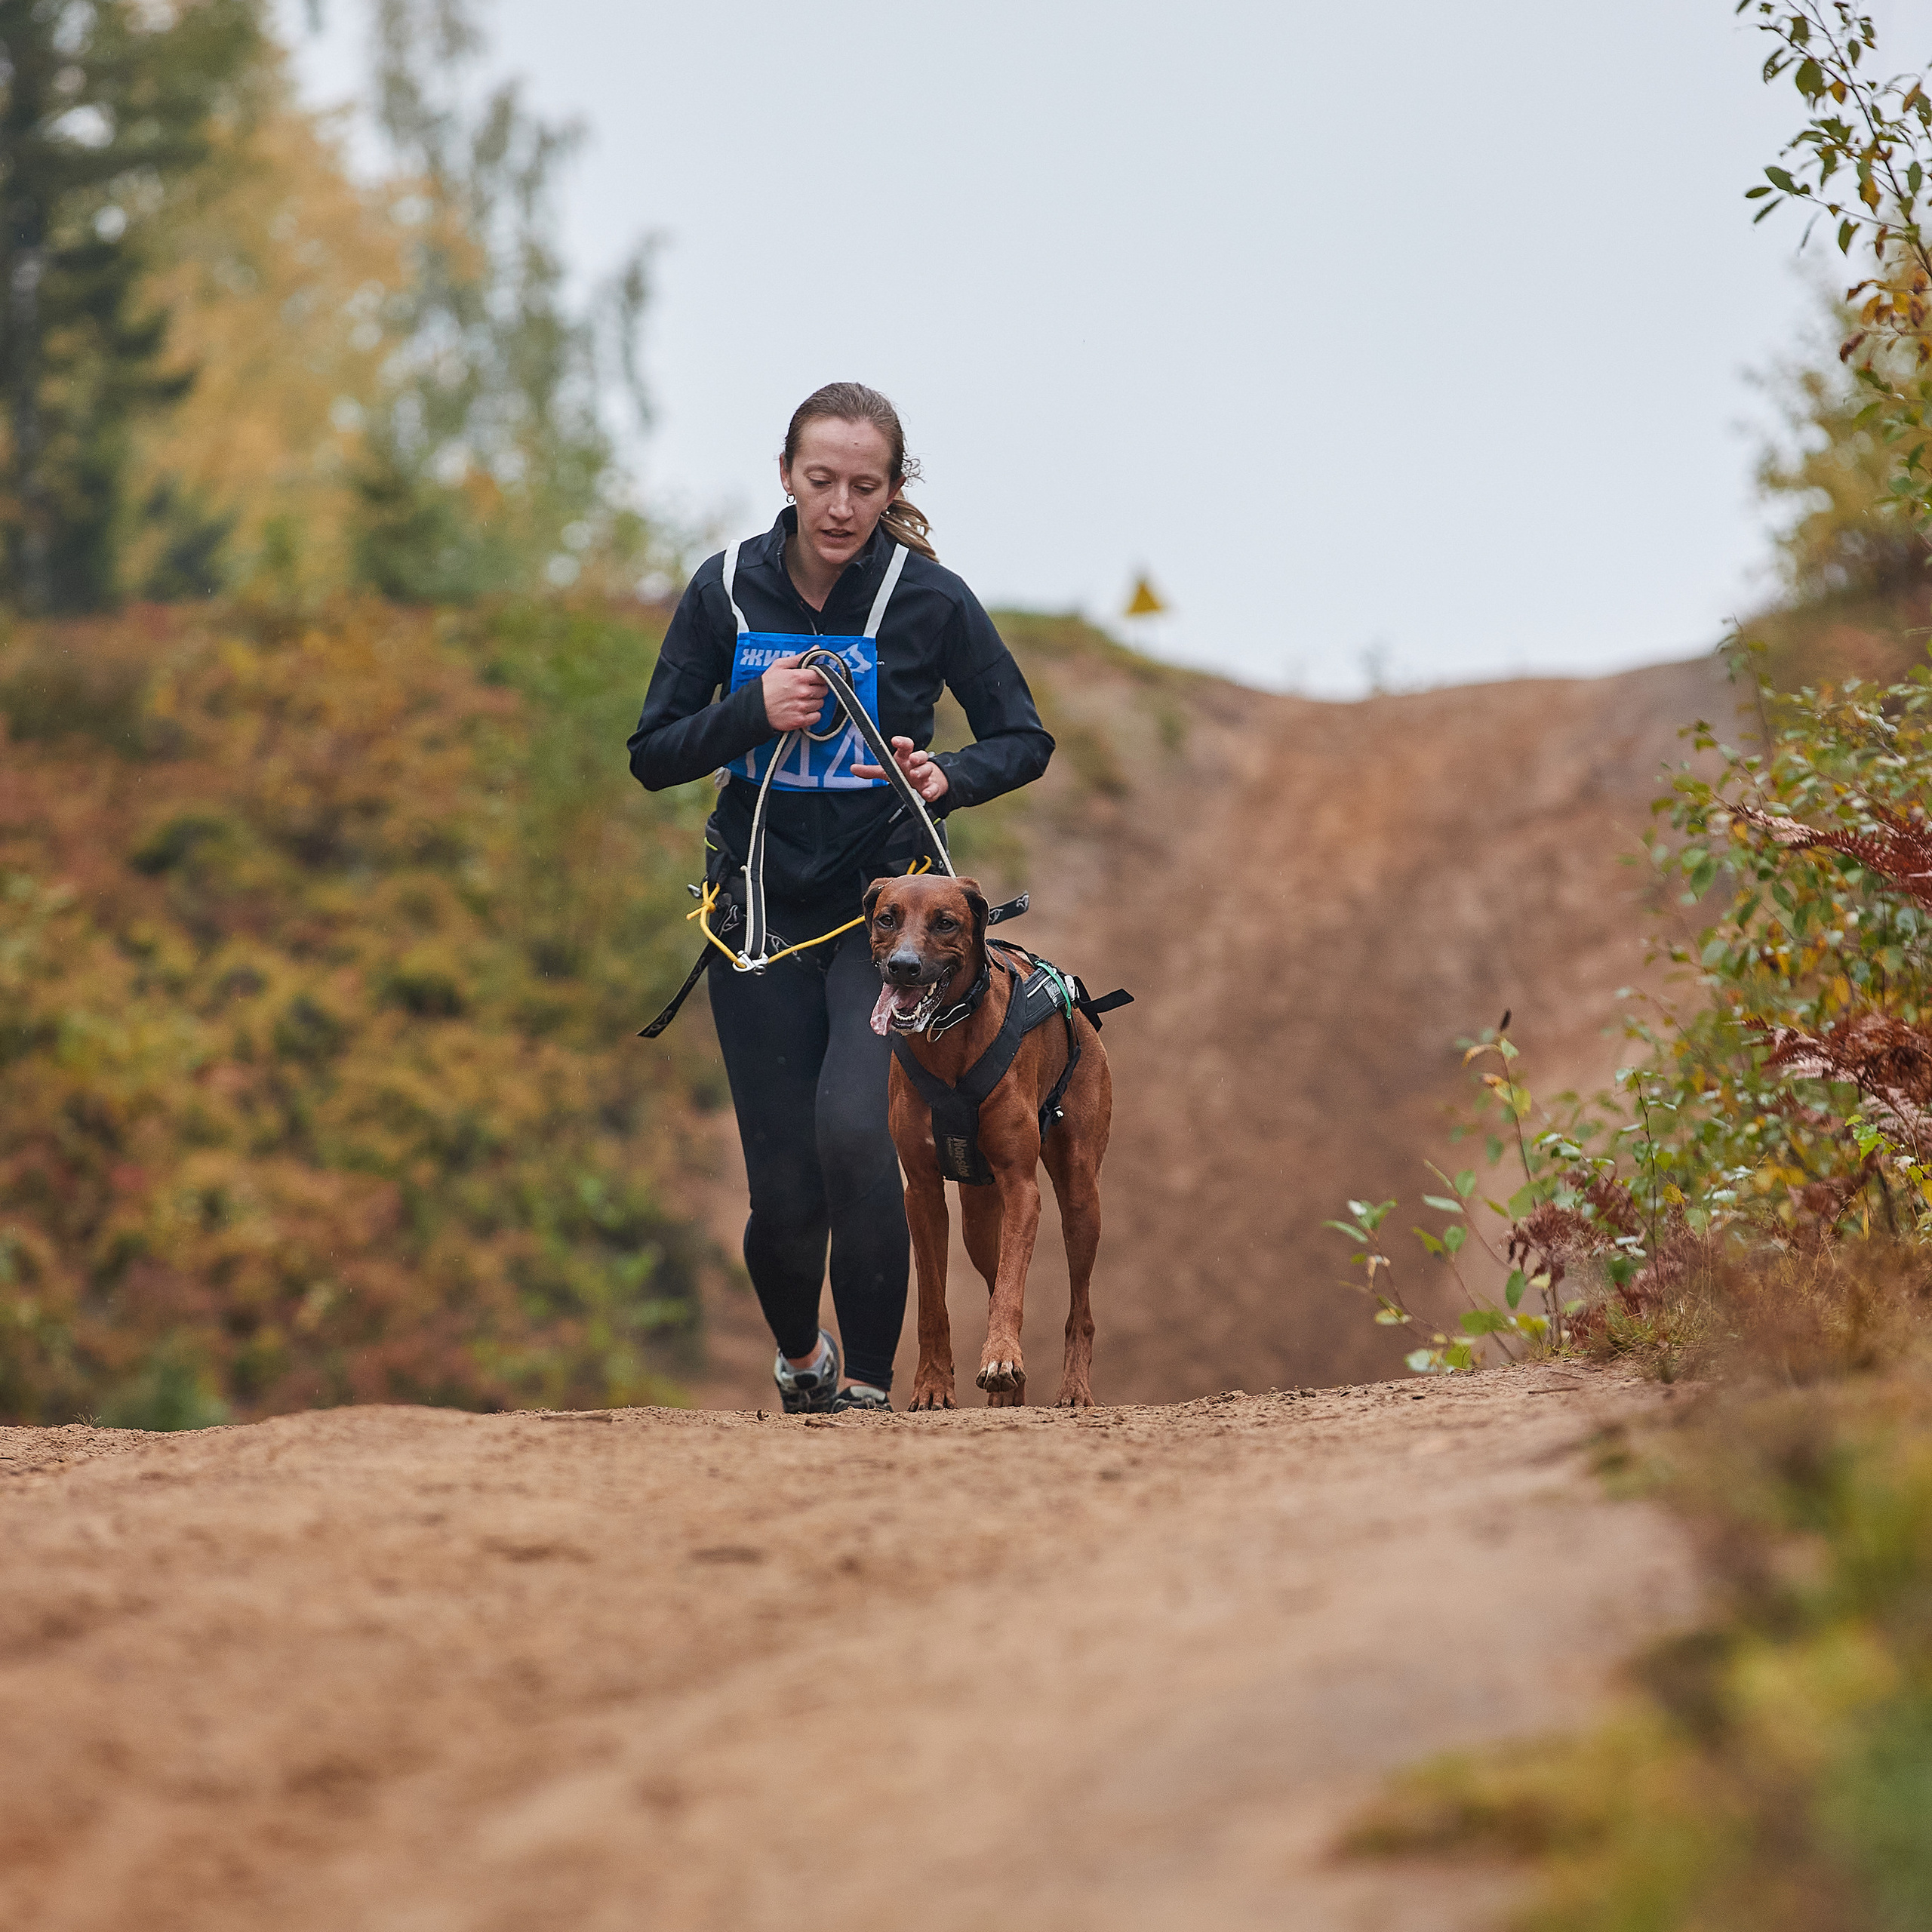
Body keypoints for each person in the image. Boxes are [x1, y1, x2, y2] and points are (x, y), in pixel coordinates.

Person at [628, 383, 1054, 1412]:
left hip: (886, 935)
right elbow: (652, 753)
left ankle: (867, 1388)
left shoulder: (930, 599)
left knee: (863, 1139)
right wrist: (751, 710)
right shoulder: (725, 589)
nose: (839, 505)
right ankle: (802, 1360)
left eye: (865, 486)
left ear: (892, 489)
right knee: (783, 1192)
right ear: (786, 476)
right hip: (757, 927)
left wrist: (945, 774)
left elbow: (1022, 737)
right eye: (821, 480)